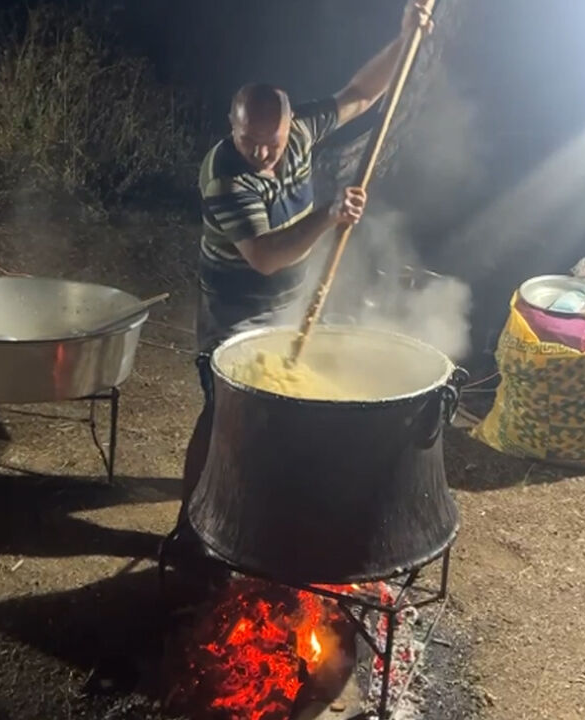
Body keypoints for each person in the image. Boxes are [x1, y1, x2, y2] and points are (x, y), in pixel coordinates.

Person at [167, 3, 435, 569]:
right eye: (249, 140)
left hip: (291, 295)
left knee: (290, 406)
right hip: (235, 304)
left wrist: (402, 36)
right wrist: (330, 215)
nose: (262, 152)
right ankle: (189, 527)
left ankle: (269, 508)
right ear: (232, 127)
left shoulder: (304, 128)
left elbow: (362, 94)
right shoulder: (224, 177)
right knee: (224, 411)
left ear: (289, 126)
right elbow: (265, 257)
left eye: (271, 139)